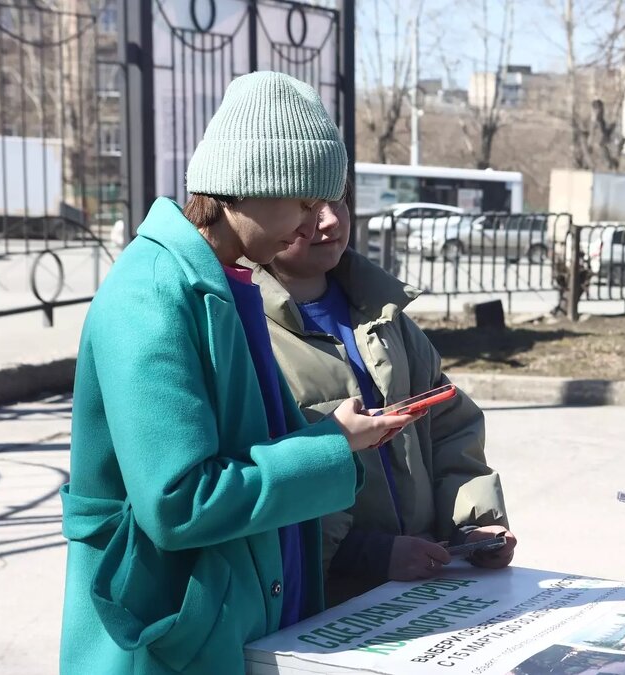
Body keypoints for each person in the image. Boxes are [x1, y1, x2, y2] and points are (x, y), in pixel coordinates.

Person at [59, 72, 417, 674]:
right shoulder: (150, 294)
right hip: (165, 636)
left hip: (229, 621)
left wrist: (336, 435)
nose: (313, 223)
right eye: (303, 201)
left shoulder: (233, 281)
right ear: (240, 187)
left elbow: (248, 450)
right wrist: (334, 445)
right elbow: (179, 502)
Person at [250, 182, 515, 606]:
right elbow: (256, 481)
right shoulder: (243, 332)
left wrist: (473, 525)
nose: (331, 219)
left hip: (422, 582)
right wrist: (363, 554)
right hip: (319, 601)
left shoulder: (383, 315)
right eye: (307, 207)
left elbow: (448, 425)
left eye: (337, 199)